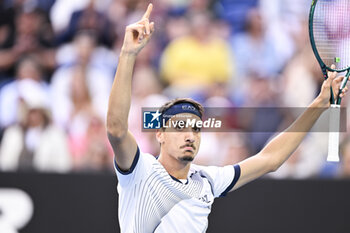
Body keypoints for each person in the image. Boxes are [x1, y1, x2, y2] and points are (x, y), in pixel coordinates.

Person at [106, 4, 349, 233]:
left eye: (196, 129)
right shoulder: (140, 170)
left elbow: (270, 159)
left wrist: (319, 104)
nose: (189, 135)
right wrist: (128, 54)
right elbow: (116, 129)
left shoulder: (208, 180)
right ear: (159, 134)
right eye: (180, 127)